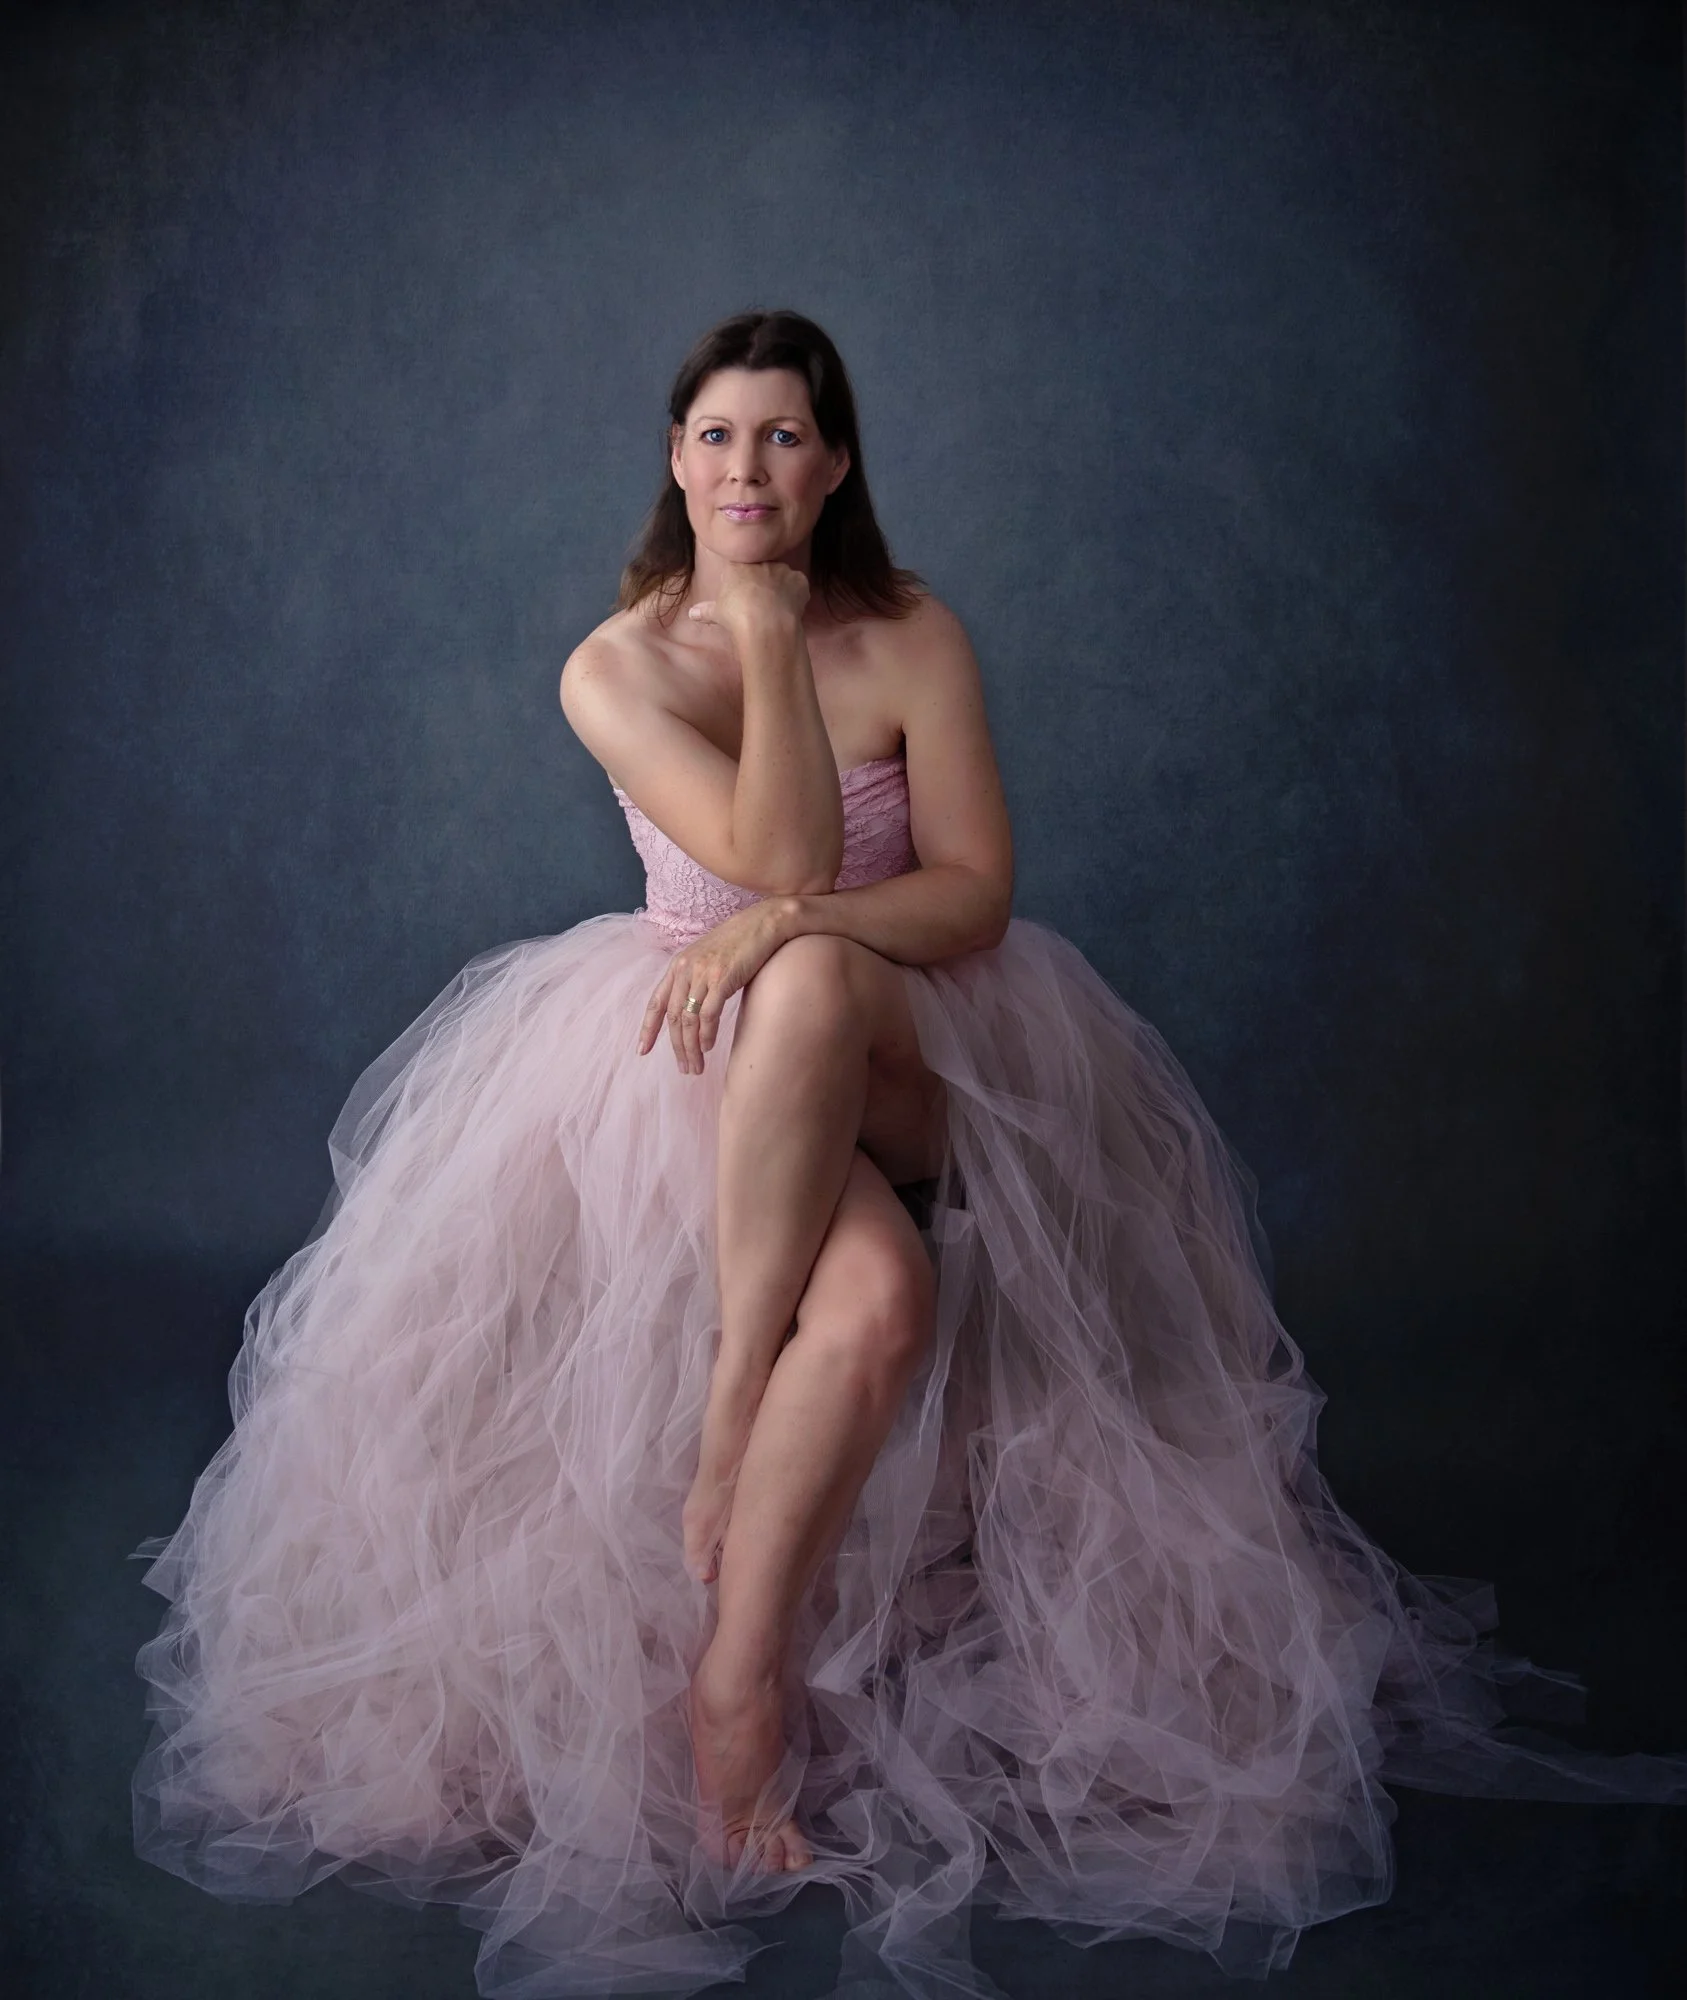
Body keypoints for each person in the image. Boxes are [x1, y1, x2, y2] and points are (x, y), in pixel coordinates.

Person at [132, 309, 1687, 2000]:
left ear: (837, 461)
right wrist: (759, 646)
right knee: (872, 1308)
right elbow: (766, 842)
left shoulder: (915, 631)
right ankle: (741, 1676)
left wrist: (796, 868)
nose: (749, 468)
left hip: (919, 1044)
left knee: (804, 973)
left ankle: (735, 1393)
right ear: (674, 458)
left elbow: (968, 892)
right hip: (691, 1061)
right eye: (718, 437)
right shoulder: (616, 666)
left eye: (785, 437)